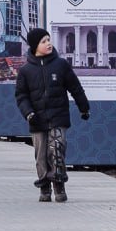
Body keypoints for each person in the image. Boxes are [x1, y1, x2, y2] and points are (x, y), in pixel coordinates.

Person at [15, 28, 89, 202]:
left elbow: (75, 88)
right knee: (41, 154)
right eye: (43, 41)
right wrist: (28, 113)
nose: (48, 43)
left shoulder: (61, 65)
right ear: (35, 46)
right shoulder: (25, 70)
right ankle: (44, 186)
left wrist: (84, 108)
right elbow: (21, 96)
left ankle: (59, 184)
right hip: (37, 119)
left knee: (57, 149)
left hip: (58, 117)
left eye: (48, 39)